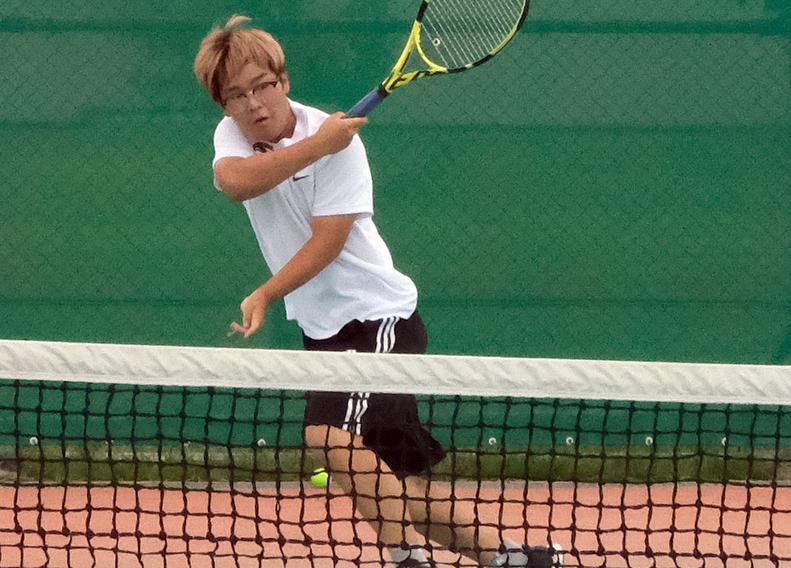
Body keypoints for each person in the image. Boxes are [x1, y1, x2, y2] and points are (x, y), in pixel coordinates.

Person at [193, 15, 559, 568]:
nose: (253, 104)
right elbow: (234, 183)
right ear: (225, 105)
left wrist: (267, 293)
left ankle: (408, 557)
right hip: (324, 329)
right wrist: (315, 147)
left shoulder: (343, 145)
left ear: (283, 81)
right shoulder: (239, 137)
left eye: (262, 86)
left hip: (377, 320)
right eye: (237, 95)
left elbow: (329, 243)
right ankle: (515, 560)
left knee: (327, 438)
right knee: (400, 484)